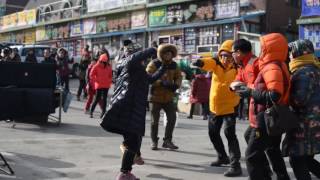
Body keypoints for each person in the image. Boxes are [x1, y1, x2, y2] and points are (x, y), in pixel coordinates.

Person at [100, 47, 165, 180]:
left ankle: (126, 171)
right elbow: (134, 57)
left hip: (134, 108)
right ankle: (124, 173)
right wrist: (152, 49)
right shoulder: (127, 64)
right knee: (133, 141)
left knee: (133, 140)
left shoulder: (138, 70)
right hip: (128, 107)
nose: (144, 60)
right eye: (142, 58)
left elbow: (150, 79)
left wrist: (163, 67)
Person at [235, 33, 290, 180]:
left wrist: (251, 92)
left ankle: (265, 175)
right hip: (270, 116)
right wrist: (250, 89)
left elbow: (274, 95)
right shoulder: (275, 64)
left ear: (269, 48)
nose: (260, 50)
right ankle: (279, 176)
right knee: (271, 149)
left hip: (266, 117)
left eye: (262, 46)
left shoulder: (272, 66)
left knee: (251, 155)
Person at [192, 40, 242, 177]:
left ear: (234, 55)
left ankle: (235, 165)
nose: (226, 58)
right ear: (220, 54)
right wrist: (200, 62)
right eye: (224, 55)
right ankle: (222, 157)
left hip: (230, 106)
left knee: (229, 134)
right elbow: (207, 62)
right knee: (213, 133)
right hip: (215, 106)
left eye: (229, 55)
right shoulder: (216, 62)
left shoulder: (238, 67)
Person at [281, 39, 320, 180]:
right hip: (314, 123)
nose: (290, 56)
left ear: (298, 53)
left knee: (297, 160)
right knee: (307, 159)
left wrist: (285, 98)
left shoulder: (302, 73)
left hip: (305, 125)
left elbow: (299, 100)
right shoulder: (316, 68)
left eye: (291, 53)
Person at [146, 44, 182, 150]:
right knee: (154, 121)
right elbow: (147, 77)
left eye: (170, 54)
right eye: (166, 53)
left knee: (172, 118)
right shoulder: (154, 64)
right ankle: (154, 141)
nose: (168, 55)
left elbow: (179, 76)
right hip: (155, 97)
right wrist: (160, 83)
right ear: (161, 54)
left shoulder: (174, 65)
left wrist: (176, 85)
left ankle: (167, 140)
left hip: (168, 97)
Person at [89, 51, 112, 118]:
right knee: (97, 99)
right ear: (100, 60)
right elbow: (91, 75)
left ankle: (103, 113)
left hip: (106, 85)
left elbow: (110, 75)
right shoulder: (96, 66)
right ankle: (91, 111)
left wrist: (109, 80)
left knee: (104, 99)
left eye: (104, 61)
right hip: (99, 85)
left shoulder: (108, 67)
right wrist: (96, 81)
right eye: (102, 61)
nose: (103, 63)